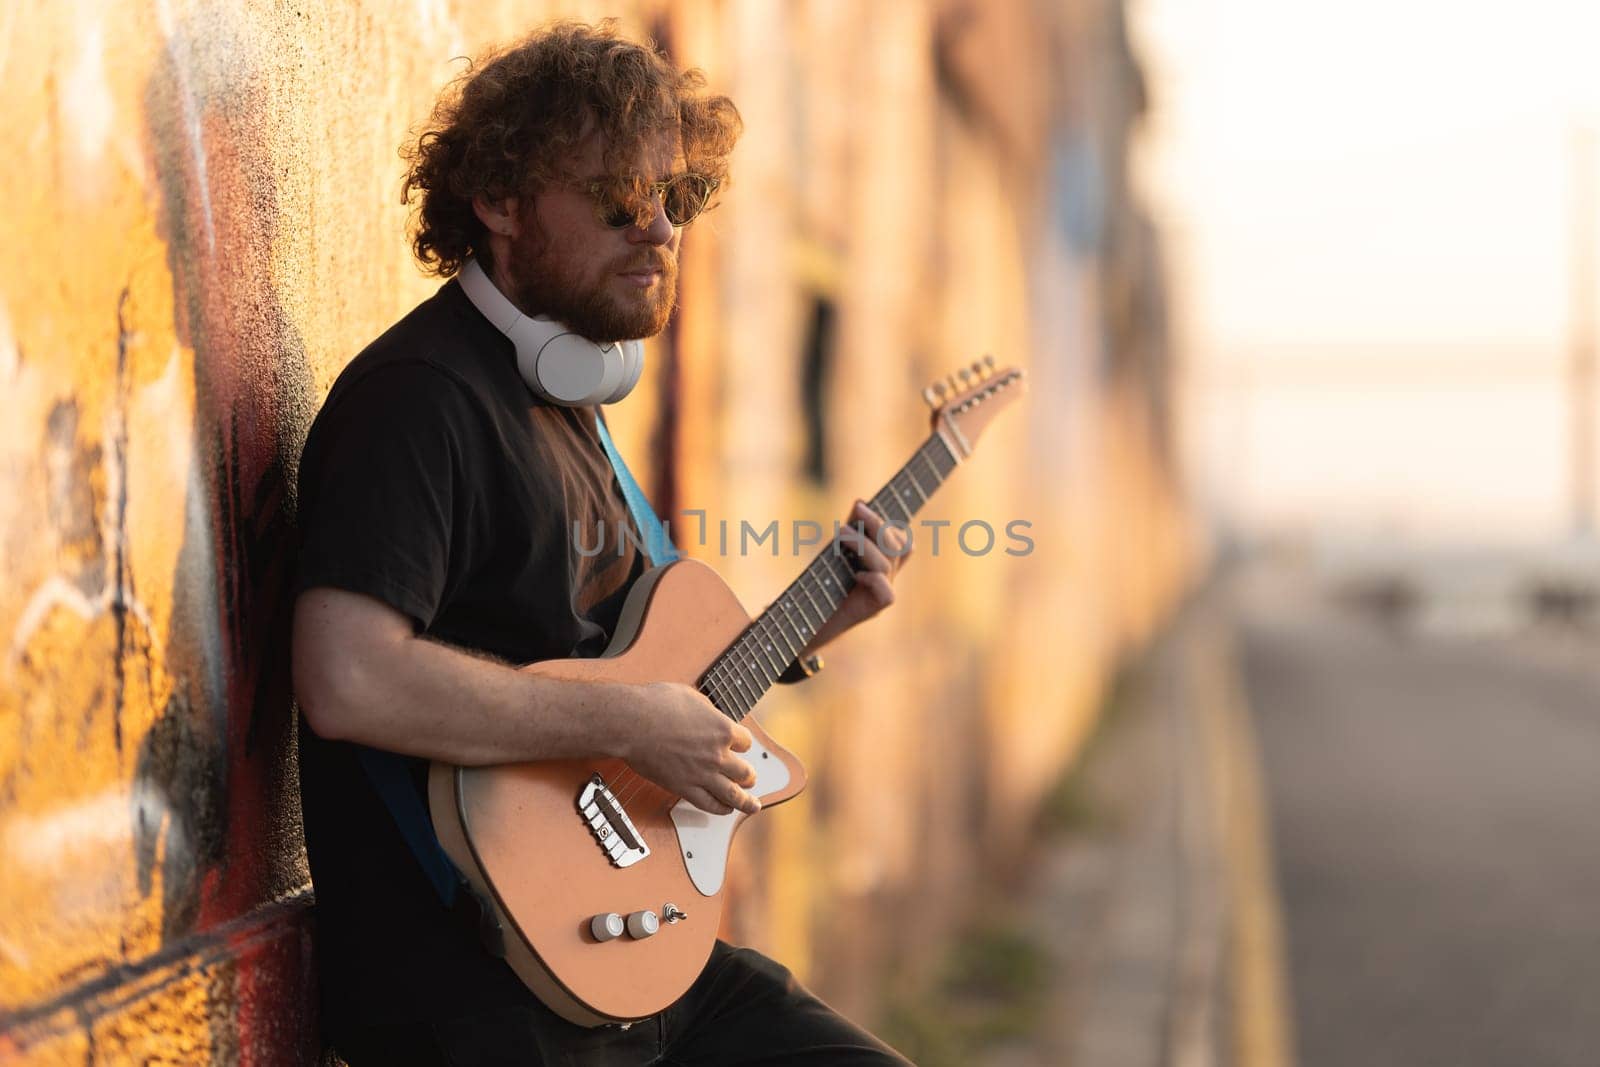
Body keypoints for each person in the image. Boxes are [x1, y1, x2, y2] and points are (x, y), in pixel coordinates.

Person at [290, 20, 912, 1065]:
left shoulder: (563, 401)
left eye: (678, 199)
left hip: (628, 959)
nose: (660, 230)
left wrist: (811, 622)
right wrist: (631, 721)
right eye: (620, 199)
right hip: (478, 988)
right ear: (500, 203)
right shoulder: (423, 400)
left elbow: (618, 678)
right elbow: (347, 677)